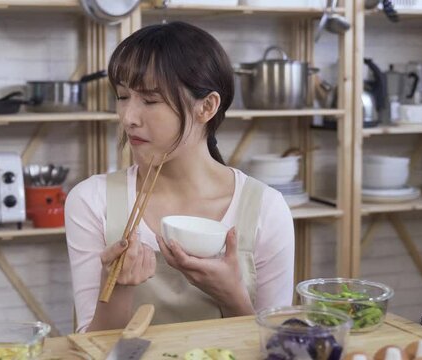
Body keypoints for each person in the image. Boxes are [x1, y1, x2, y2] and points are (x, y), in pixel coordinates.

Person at [65, 21, 294, 333]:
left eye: (150, 100)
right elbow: (89, 348)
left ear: (207, 106)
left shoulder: (266, 208)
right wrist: (117, 289)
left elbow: (276, 347)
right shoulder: (92, 200)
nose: (128, 118)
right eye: (122, 97)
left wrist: (231, 295)